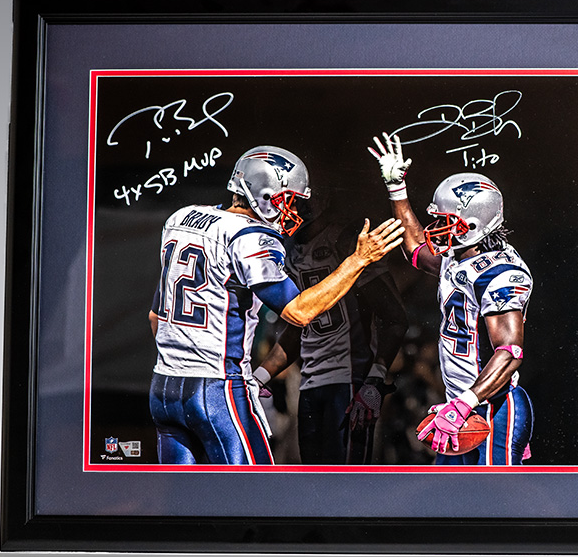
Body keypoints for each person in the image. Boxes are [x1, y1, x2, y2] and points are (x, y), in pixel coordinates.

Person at [148, 145, 403, 465]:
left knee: (183, 491)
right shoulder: (250, 236)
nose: (293, 209)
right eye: (288, 199)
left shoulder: (182, 218)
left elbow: (155, 317)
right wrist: (358, 259)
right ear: (265, 194)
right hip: (216, 388)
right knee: (258, 489)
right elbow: (299, 312)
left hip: (164, 387)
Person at [368, 133, 534, 466]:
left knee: (492, 496)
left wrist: (464, 404)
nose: (437, 228)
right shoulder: (459, 255)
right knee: (447, 491)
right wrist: (397, 189)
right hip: (458, 407)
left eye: (446, 222)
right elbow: (416, 250)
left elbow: (510, 352)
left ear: (471, 227)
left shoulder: (501, 273)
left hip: (492, 409)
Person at [252, 198, 408, 465]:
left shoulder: (347, 241)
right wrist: (258, 379)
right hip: (310, 382)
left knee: (345, 481)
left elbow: (394, 316)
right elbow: (297, 327)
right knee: (314, 480)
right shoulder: (288, 248)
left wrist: (375, 379)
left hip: (350, 383)